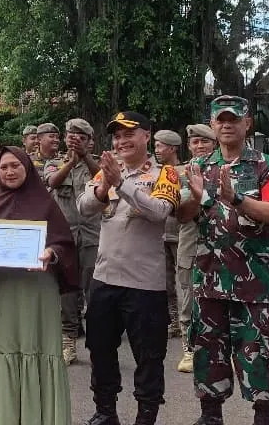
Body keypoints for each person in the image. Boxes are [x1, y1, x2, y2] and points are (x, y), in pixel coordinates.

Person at [184, 96, 269, 425]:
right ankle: (210, 417)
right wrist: (199, 197)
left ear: (248, 124)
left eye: (235, 119)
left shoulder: (267, 166)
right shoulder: (199, 168)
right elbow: (182, 216)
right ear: (213, 125)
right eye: (221, 119)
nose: (227, 124)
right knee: (207, 352)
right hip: (209, 282)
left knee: (260, 353)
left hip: (254, 285)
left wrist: (236, 198)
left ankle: (262, 419)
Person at [78, 111, 180, 425]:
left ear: (147, 136)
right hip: (105, 279)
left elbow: (160, 211)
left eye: (128, 134)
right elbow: (83, 208)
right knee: (100, 349)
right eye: (117, 136)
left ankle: (146, 415)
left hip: (145, 285)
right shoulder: (108, 171)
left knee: (148, 357)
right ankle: (105, 411)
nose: (121, 141)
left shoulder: (166, 174)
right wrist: (103, 186)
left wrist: (122, 184)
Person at [0, 146, 78, 425]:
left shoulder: (45, 203)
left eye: (15, 166)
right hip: (3, 286)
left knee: (39, 345)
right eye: (4, 167)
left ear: (27, 168)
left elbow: (64, 244)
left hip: (37, 286)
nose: (9, 172)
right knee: (7, 347)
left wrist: (51, 253)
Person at [43, 118, 100, 366]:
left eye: (81, 135)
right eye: (71, 134)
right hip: (65, 237)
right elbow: (52, 182)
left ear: (89, 140)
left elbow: (104, 178)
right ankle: (69, 341)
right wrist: (71, 163)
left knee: (94, 290)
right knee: (67, 290)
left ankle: (98, 342)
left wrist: (85, 157)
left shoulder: (96, 162)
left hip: (92, 235)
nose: (74, 139)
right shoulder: (54, 162)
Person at [174, 124, 216, 374]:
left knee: (219, 299)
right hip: (190, 240)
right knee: (188, 298)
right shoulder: (180, 173)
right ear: (188, 146)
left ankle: (218, 350)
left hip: (220, 243)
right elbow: (182, 205)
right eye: (195, 142)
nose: (200, 146)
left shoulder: (224, 169)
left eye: (205, 142)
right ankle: (189, 349)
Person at [154, 129, 184, 339]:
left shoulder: (184, 171)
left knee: (187, 283)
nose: (156, 150)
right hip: (161, 233)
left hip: (181, 233)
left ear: (171, 148)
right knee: (165, 282)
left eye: (159, 146)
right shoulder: (155, 172)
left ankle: (188, 324)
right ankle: (172, 320)